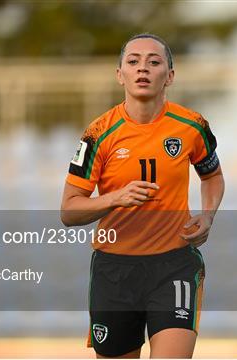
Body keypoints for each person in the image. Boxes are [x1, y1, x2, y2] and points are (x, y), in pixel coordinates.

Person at [61, 33, 224, 358]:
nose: (143, 68)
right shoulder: (98, 134)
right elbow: (68, 210)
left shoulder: (191, 126)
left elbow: (213, 176)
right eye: (133, 61)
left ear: (170, 76)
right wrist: (114, 198)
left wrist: (207, 215)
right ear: (120, 74)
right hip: (115, 270)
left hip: (174, 264)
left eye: (154, 61)